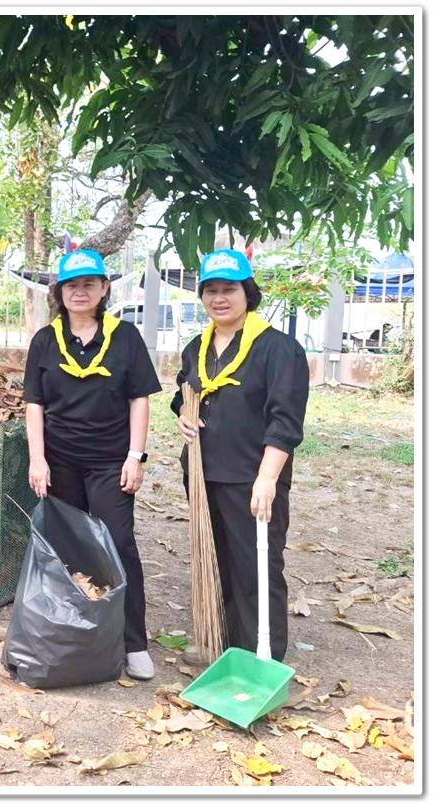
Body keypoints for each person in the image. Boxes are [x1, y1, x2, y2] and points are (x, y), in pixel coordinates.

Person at [23, 249, 163, 680]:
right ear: (59, 292)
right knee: (66, 549)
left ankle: (133, 643)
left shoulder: (126, 338)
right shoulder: (45, 340)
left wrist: (135, 456)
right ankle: (73, 638)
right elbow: (34, 404)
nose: (79, 292)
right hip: (59, 462)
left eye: (89, 284)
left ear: (104, 289)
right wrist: (37, 459)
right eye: (71, 285)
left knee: (118, 545)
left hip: (110, 463)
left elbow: (139, 399)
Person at [171, 248, 308, 663]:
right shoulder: (197, 347)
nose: (219, 298)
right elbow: (183, 392)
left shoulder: (277, 349)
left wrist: (267, 479)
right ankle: (223, 645)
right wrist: (183, 414)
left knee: (256, 567)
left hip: (251, 476)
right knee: (216, 562)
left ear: (248, 293)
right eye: (210, 290)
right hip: (203, 473)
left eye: (229, 289)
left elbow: (285, 420)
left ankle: (260, 658)